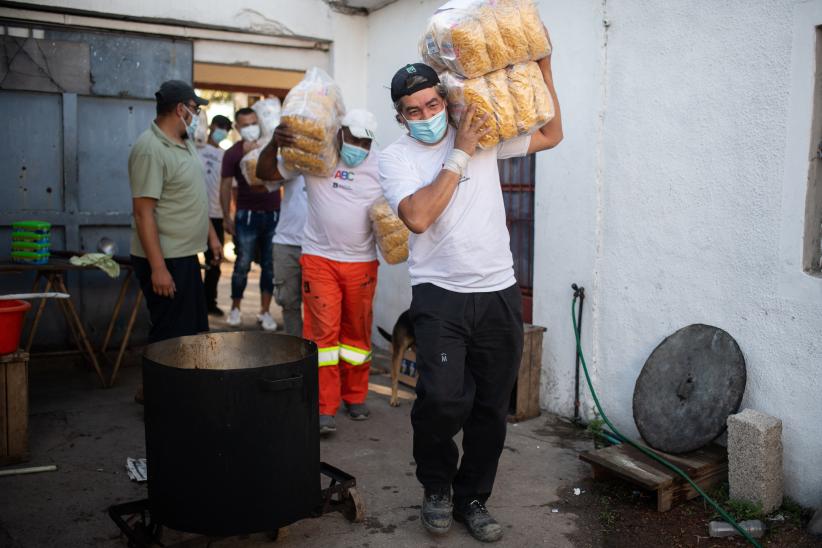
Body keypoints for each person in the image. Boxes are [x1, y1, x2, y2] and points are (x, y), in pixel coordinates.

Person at [378, 52, 563, 542]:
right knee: (441, 399)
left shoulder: (482, 135)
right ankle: (436, 486)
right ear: (401, 117)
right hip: (440, 296)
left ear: (445, 99)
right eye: (413, 110)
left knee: (490, 407)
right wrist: (459, 151)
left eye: (432, 103)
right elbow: (418, 216)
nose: (425, 115)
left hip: (498, 290)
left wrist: (545, 70)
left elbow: (550, 135)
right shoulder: (397, 157)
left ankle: (473, 498)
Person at [256, 109, 383, 436]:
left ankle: (355, 396)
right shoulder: (317, 158)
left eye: (366, 141)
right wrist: (274, 142)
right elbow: (265, 171)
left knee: (357, 334)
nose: (359, 146)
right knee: (323, 337)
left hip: (362, 263)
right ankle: (324, 406)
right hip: (319, 260)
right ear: (340, 134)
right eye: (354, 138)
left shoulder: (380, 164)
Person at [129, 79, 222, 347]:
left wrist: (212, 237)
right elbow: (143, 213)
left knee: (192, 334)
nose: (198, 116)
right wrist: (158, 268)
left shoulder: (184, 142)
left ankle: (180, 390)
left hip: (185, 255)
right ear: (181, 109)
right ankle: (158, 390)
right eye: (196, 109)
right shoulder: (150, 149)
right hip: (166, 259)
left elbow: (192, 196)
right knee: (170, 340)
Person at [220, 107, 280, 331]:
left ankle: (264, 312)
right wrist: (227, 216)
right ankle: (235, 308)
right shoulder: (233, 153)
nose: (250, 128)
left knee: (269, 266)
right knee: (242, 263)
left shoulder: (271, 147)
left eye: (253, 122)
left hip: (273, 212)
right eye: (245, 125)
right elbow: (225, 185)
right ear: (237, 128)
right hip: (246, 215)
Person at [198, 114, 232, 317]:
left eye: (226, 129)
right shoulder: (196, 149)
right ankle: (194, 302)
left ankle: (209, 302)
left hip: (216, 214)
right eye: (220, 127)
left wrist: (228, 215)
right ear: (211, 126)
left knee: (215, 262)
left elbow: (227, 188)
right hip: (195, 214)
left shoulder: (224, 156)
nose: (222, 131)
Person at [269, 172, 307, 337]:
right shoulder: (291, 161)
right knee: (289, 302)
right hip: (286, 243)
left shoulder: (332, 162)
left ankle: (317, 355)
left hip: (318, 247)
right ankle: (296, 352)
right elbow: (260, 181)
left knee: (319, 305)